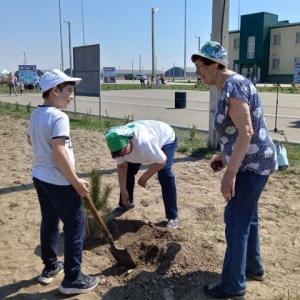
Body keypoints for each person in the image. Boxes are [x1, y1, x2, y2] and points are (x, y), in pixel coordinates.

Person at [191, 41, 277, 299]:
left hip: (253, 165)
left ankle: (232, 286)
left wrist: (230, 173)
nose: (198, 72)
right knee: (246, 217)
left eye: (201, 66)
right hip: (250, 161)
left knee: (235, 221)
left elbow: (247, 132)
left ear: (217, 64)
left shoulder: (234, 85)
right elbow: (237, 134)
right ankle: (253, 268)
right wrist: (224, 156)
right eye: (196, 67)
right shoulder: (225, 85)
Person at [26, 69, 99, 295]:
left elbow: (30, 139)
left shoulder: (37, 114)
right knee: (75, 224)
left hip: (40, 177)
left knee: (49, 222)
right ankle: (73, 278)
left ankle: (50, 267)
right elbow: (59, 154)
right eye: (68, 91)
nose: (71, 96)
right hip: (58, 181)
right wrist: (76, 181)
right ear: (55, 90)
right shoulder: (59, 117)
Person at [105, 120, 179, 228]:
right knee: (128, 171)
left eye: (124, 150)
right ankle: (125, 204)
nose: (122, 154)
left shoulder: (144, 143)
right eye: (119, 153)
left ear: (129, 140)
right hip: (142, 140)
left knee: (165, 174)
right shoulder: (117, 148)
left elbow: (161, 161)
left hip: (165, 137)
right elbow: (122, 167)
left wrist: (144, 178)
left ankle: (173, 216)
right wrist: (123, 189)